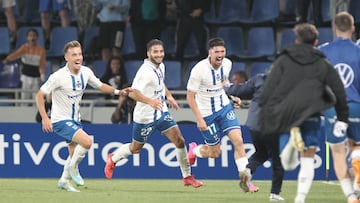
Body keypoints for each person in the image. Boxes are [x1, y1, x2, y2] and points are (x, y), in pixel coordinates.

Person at [258, 23, 350, 203]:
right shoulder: (323, 62)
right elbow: (339, 90)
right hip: (312, 112)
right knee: (308, 157)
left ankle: (293, 140)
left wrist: (265, 111)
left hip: (287, 114)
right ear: (316, 42)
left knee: (288, 163)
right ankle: (300, 199)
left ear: (297, 40)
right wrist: (343, 118)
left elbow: (268, 88)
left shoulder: (283, 60)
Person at [104, 39, 203, 188]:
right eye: (155, 52)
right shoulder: (144, 72)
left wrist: (168, 96)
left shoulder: (160, 66)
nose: (159, 54)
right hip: (145, 116)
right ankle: (113, 159)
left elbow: (160, 84)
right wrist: (150, 101)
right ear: (148, 53)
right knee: (136, 149)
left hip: (160, 111)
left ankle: (187, 176)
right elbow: (132, 93)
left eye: (161, 51)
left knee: (180, 141)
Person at [35, 40, 132, 192]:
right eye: (74, 55)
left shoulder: (86, 72)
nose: (78, 57)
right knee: (87, 142)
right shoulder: (58, 76)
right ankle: (73, 169)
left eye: (80, 54)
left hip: (75, 119)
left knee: (73, 153)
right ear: (66, 57)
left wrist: (118, 92)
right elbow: (39, 96)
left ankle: (64, 181)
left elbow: (100, 85)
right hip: (60, 120)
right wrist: (45, 118)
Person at [186, 37, 258, 193]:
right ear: (210, 52)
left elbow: (224, 83)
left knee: (238, 141)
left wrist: (233, 96)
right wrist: (199, 119)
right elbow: (190, 96)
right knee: (214, 153)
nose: (220, 55)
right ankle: (194, 151)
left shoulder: (227, 63)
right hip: (206, 114)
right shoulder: (199, 70)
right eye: (216, 52)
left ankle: (245, 181)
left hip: (224, 108)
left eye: (222, 51)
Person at [319, 11, 360, 203]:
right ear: (352, 28)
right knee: (356, 145)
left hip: (333, 108)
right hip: (356, 105)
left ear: (334, 28)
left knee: (337, 152)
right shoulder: (359, 51)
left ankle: (351, 197)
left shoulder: (323, 51)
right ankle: (357, 163)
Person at [225, 73, 285, 201]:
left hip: (253, 125)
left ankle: (248, 170)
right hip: (271, 125)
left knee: (261, 154)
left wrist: (226, 87)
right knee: (277, 160)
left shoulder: (259, 79)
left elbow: (240, 91)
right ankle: (275, 193)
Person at [2, 28, 46, 104]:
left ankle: (36, 115)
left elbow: (42, 64)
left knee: (36, 99)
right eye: (30, 36)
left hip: (36, 78)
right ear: (27, 38)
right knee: (24, 97)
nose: (32, 38)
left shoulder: (41, 50)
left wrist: (42, 75)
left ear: (37, 38)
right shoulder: (24, 48)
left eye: (34, 36)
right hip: (25, 77)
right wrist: (7, 59)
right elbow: (15, 54)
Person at [99, 55, 132, 124]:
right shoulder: (106, 76)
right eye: (113, 64)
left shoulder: (123, 77)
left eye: (117, 64)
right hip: (108, 102)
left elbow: (125, 88)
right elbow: (99, 85)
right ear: (110, 65)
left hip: (120, 103)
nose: (115, 66)